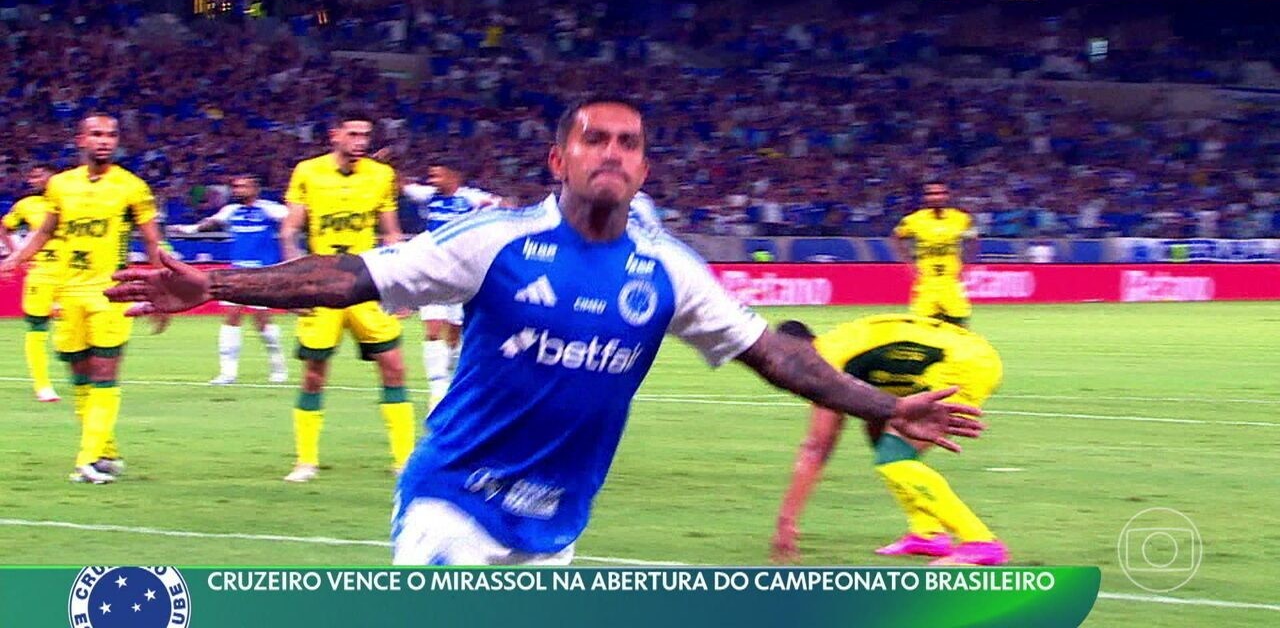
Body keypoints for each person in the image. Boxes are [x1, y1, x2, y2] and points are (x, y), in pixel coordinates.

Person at [106, 98, 984, 565]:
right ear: (558, 160)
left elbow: (774, 353)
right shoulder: (494, 242)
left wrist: (885, 403)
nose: (611, 152)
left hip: (558, 522)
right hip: (452, 504)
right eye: (593, 139)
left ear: (644, 166)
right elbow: (350, 275)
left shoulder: (669, 268)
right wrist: (212, 283)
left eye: (628, 142)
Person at [0, 114, 164, 484]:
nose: (104, 141)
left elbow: (152, 241)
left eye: (111, 135)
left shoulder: (132, 187)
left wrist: (163, 286)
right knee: (79, 376)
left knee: (105, 374)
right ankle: (106, 453)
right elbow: (45, 231)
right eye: (96, 134)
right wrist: (14, 259)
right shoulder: (60, 185)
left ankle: (86, 461)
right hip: (68, 291)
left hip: (110, 294)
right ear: (81, 140)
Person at [770, 315, 1008, 566]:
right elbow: (877, 411)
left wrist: (786, 521)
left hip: (962, 366)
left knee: (894, 456)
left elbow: (817, 448)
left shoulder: (825, 363)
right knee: (881, 439)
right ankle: (927, 533)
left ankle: (980, 542)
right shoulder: (839, 343)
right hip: (968, 353)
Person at [276, 111, 413, 483]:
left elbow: (391, 235)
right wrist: (295, 284)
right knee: (314, 375)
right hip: (322, 285)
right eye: (352, 134)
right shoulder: (307, 172)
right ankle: (306, 462)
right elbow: (289, 231)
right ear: (334, 134)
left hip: (368, 283)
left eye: (365, 135)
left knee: (395, 367)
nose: (360, 142)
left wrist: (400, 285)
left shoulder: (381, 176)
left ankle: (405, 461)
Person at [401, 161, 501, 411]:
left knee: (454, 333)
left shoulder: (470, 198)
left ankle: (449, 374)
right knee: (433, 329)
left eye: (438, 174)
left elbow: (503, 205)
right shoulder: (427, 195)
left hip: (460, 276)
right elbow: (401, 185)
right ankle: (437, 390)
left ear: (453, 175)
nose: (433, 179)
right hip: (433, 273)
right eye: (431, 174)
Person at [172, 175, 289, 385]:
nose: (238, 190)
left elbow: (294, 219)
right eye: (236, 186)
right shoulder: (231, 210)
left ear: (255, 189)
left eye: (243, 186)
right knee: (231, 317)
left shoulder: (271, 209)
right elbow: (211, 222)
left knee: (262, 322)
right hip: (237, 272)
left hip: (262, 273)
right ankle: (228, 373)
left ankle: (278, 365)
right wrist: (188, 229)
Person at [0, 164, 63, 402]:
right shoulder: (27, 205)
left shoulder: (73, 202)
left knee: (78, 324)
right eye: (32, 175)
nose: (34, 179)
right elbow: (5, 228)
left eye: (40, 174)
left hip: (73, 275)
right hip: (41, 273)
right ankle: (43, 385)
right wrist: (17, 254)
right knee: (37, 329)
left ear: (54, 177)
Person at [891, 180, 977, 326]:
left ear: (947, 196)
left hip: (950, 281)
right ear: (925, 197)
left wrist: (966, 263)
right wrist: (909, 263)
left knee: (959, 325)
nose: (936, 197)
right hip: (927, 281)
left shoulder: (960, 218)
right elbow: (896, 238)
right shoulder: (914, 219)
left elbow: (973, 239)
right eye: (931, 194)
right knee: (923, 327)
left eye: (940, 193)